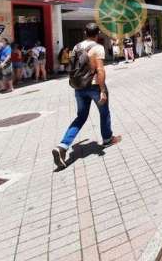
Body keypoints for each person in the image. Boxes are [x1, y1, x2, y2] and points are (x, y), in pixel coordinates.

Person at [52, 23, 122, 169]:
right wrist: (102, 89)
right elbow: (100, 70)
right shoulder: (97, 48)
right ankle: (108, 138)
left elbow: (71, 66)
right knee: (104, 113)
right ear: (97, 34)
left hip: (79, 86)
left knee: (81, 117)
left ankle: (62, 145)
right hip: (94, 85)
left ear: (85, 32)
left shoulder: (76, 47)